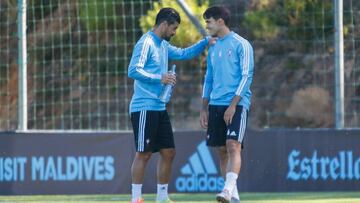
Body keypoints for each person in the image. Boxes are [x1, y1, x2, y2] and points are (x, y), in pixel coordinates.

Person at [127, 7, 212, 203]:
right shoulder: (146, 43)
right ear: (164, 24)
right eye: (173, 28)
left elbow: (183, 53)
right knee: (144, 154)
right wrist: (161, 77)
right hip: (143, 108)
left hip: (159, 108)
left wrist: (206, 42)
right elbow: (133, 70)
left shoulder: (164, 45)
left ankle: (162, 197)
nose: (174, 32)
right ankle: (136, 199)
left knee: (169, 152)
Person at [200, 6, 254, 203]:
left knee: (233, 146)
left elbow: (247, 76)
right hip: (215, 104)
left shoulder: (242, 44)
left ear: (220, 21)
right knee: (221, 150)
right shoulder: (212, 46)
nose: (207, 26)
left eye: (209, 22)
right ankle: (234, 196)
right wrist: (204, 108)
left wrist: (233, 105)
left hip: (237, 104)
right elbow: (209, 78)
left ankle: (227, 190)